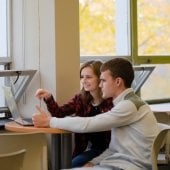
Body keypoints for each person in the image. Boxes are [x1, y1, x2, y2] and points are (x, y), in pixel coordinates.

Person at [33, 58, 159, 170]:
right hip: (117, 162)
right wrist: (94, 162)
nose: (100, 84)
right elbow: (114, 149)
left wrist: (49, 121)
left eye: (103, 80)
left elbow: (89, 124)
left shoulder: (128, 105)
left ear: (118, 82)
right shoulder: (126, 103)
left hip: (128, 165)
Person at [34, 60, 113, 168]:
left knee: (71, 165)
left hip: (110, 150)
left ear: (100, 78)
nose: (84, 81)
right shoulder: (80, 99)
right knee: (70, 164)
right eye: (82, 77)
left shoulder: (111, 101)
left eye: (88, 77)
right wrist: (48, 97)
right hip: (91, 149)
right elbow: (60, 113)